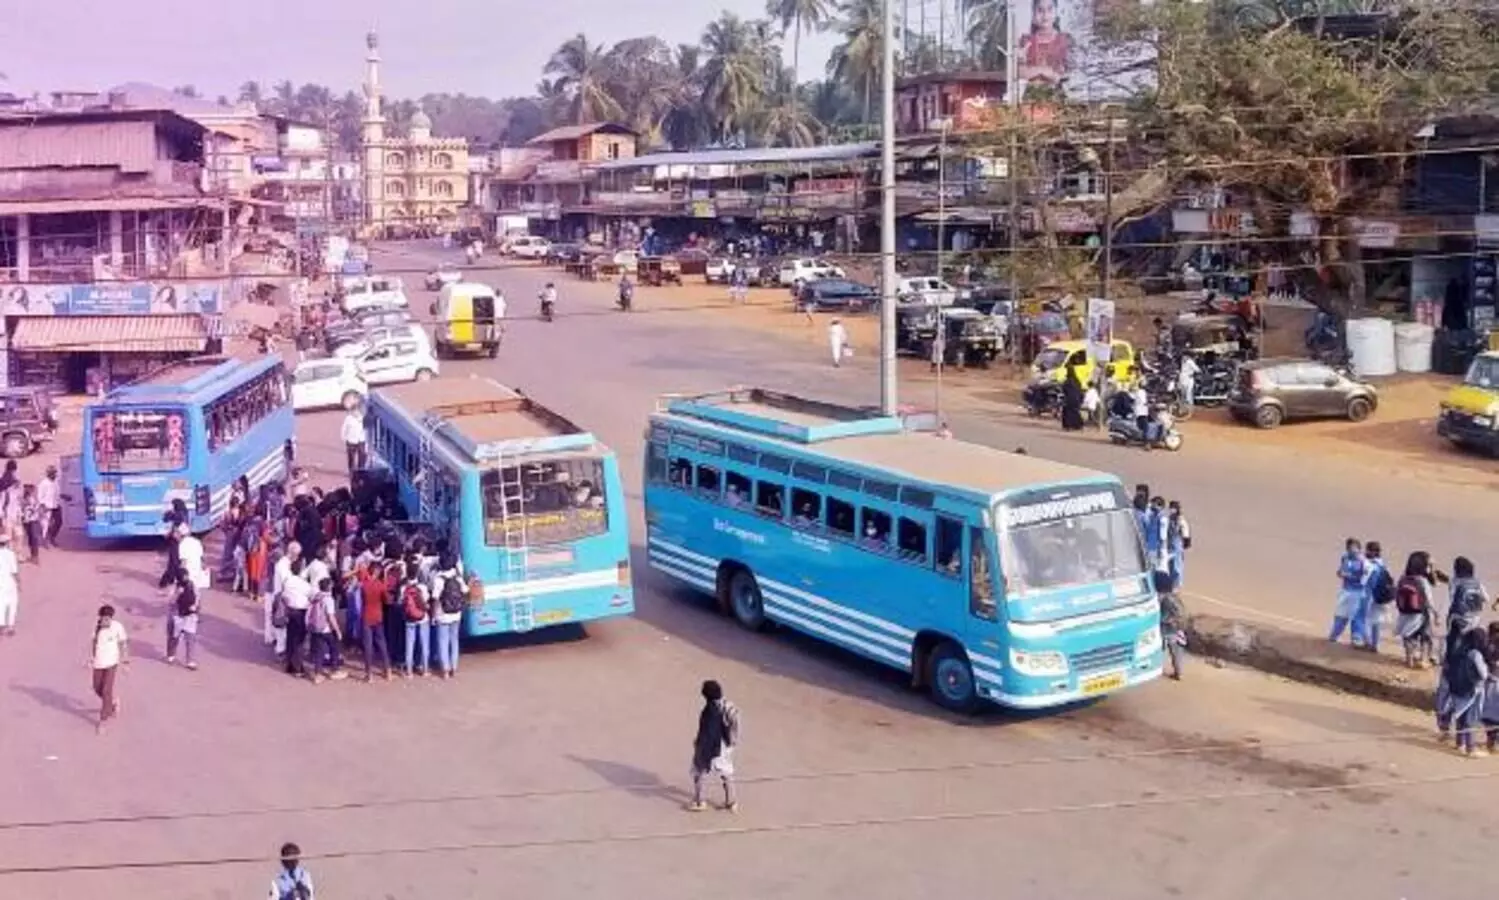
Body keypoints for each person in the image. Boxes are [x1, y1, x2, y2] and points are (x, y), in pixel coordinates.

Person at [686, 679, 741, 813]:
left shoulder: (710, 710)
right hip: (725, 745)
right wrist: (732, 740)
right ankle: (731, 802)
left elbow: (708, 732)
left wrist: (699, 745)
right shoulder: (728, 705)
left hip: (712, 746)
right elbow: (735, 724)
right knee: (726, 773)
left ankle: (700, 801)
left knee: (699, 771)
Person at [1441, 627, 1490, 757]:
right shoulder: (1475, 654)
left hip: (1457, 689)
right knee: (1471, 719)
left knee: (1461, 716)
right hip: (1472, 690)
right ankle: (1471, 748)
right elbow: (1483, 674)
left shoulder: (1458, 650)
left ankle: (1460, 743)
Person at [1395, 551, 1440, 670]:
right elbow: (1429, 600)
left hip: (1405, 613)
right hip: (1422, 613)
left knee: (1408, 636)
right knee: (1425, 637)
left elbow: (1397, 594)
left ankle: (1409, 659)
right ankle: (1423, 660)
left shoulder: (1403, 578)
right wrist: (1436, 614)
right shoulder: (1422, 581)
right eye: (1429, 565)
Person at [90, 604, 129, 734]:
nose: (106, 621)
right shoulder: (96, 628)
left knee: (107, 690)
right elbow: (93, 644)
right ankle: (112, 702)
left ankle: (103, 720)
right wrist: (91, 658)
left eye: (108, 618)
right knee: (97, 688)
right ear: (100, 617)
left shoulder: (117, 627)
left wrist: (125, 662)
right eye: (104, 618)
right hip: (98, 663)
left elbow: (123, 644)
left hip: (111, 663)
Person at [430, 552, 466, 680]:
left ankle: (445, 670)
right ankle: (454, 668)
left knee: (443, 642)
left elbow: (435, 598)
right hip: (456, 614)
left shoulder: (438, 579)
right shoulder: (457, 577)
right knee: (454, 640)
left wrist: (433, 615)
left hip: (442, 614)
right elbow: (465, 591)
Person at [359, 560, 393, 682]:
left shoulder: (364, 585)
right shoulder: (380, 585)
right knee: (382, 644)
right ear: (378, 571)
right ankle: (388, 671)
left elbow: (362, 598)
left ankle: (369, 674)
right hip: (378, 616)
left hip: (366, 616)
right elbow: (387, 600)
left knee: (368, 646)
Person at [1329, 538, 1366, 645]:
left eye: (1354, 548)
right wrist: (1340, 573)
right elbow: (1340, 570)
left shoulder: (1363, 562)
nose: (1352, 551)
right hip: (1345, 590)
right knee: (1340, 614)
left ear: (1359, 549)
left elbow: (1365, 578)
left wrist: (1351, 576)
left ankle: (1356, 638)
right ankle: (1334, 635)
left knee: (1355, 616)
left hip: (1357, 592)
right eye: (1349, 548)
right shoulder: (1345, 557)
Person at [281, 558, 314, 677]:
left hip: (290, 610)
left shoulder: (287, 582)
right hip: (301, 612)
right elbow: (312, 595)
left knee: (290, 637)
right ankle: (298, 667)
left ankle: (289, 664)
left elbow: (284, 595)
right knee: (299, 640)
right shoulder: (304, 584)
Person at [1361, 541, 1395, 653]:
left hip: (1373, 596)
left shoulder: (1371, 565)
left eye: (1367, 550)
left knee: (1365, 619)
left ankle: (1368, 642)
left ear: (1371, 551)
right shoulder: (1382, 564)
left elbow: (1368, 582)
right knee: (1376, 622)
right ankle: (1374, 644)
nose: (1365, 552)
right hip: (1383, 597)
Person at [399, 563, 431, 678]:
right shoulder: (422, 587)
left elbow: (400, 602)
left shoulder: (404, 588)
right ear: (417, 573)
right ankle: (425, 669)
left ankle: (409, 672)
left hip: (409, 619)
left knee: (409, 644)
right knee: (424, 644)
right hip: (423, 618)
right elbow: (426, 601)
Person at [307, 577, 341, 684]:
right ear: (329, 586)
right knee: (334, 647)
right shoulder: (328, 599)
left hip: (315, 627)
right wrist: (337, 630)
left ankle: (317, 675)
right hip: (326, 628)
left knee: (319, 651)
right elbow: (331, 617)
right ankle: (334, 670)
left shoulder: (316, 597)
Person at [1154, 569, 1187, 680]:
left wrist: (1165, 621)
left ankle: (1158, 669)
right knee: (1176, 652)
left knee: (1162, 648)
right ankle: (1179, 672)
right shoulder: (1174, 597)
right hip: (1175, 628)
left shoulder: (1165, 599)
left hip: (1168, 627)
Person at [166, 575, 200, 670]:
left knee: (190, 638)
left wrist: (195, 606)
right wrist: (178, 593)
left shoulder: (192, 585)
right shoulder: (174, 587)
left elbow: (197, 597)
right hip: (177, 616)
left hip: (190, 616)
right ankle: (171, 655)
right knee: (174, 638)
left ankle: (190, 661)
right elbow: (170, 601)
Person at [37, 465, 64, 548]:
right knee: (45, 524)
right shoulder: (43, 483)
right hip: (47, 506)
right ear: (49, 474)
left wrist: (64, 497)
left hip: (55, 505)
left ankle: (52, 537)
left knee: (59, 522)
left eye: (55, 473)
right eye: (52, 473)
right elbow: (40, 496)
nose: (54, 475)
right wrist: (43, 506)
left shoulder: (55, 482)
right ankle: (44, 541)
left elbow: (57, 493)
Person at [1166, 501, 1191, 590]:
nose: (1171, 510)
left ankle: (1177, 585)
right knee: (1170, 565)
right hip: (1170, 545)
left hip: (1177, 544)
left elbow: (1186, 534)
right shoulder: (1169, 518)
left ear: (1176, 509)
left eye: (1172, 508)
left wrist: (1184, 545)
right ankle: (1172, 584)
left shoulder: (1181, 520)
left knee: (1177, 566)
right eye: (1170, 508)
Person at [341, 404, 367, 474]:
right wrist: (344, 438)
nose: (355, 413)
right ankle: (352, 472)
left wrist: (366, 440)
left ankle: (361, 471)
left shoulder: (363, 418)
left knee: (362, 456)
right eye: (354, 411)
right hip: (351, 441)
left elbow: (366, 429)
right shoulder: (348, 419)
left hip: (361, 440)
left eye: (357, 411)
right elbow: (344, 429)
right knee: (351, 458)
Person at [0, 533, 18, 635]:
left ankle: (1, 625)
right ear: (7, 543)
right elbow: (14, 571)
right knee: (12, 603)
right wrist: (19, 583)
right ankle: (10, 626)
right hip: (9, 581)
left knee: (1, 603)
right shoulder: (10, 554)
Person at [1060, 365, 1085, 431]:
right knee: (1075, 412)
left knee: (1067, 411)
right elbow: (1080, 390)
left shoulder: (1068, 381)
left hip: (1069, 399)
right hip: (1077, 399)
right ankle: (1078, 425)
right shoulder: (1077, 380)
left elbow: (1064, 389)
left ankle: (1068, 426)